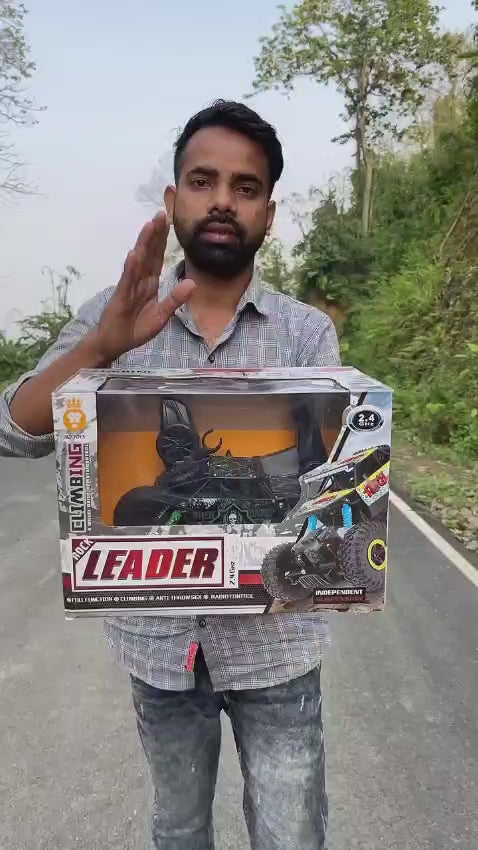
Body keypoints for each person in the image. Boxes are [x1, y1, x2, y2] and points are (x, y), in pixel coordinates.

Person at [0, 99, 341, 850]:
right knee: (179, 827)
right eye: (202, 180)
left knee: (292, 833)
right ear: (173, 197)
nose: (222, 200)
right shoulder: (110, 314)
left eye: (245, 187)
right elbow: (13, 432)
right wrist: (100, 349)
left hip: (278, 647)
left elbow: (327, 476)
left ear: (267, 213)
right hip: (159, 649)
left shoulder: (306, 332)